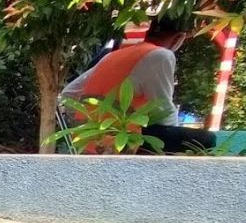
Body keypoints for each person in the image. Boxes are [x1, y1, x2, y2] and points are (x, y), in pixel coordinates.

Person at [62, 17, 216, 154]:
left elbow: (68, 93)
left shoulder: (113, 55)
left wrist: (81, 127)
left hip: (88, 138)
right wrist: (169, 150)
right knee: (207, 139)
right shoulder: (161, 55)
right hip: (124, 138)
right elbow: (163, 109)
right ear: (179, 39)